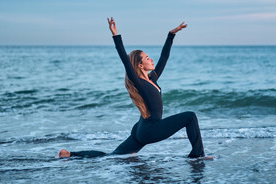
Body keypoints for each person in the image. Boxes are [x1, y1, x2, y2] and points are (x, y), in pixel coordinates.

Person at [59, 17, 207, 158]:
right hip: (150, 129)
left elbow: (164, 58)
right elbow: (125, 60)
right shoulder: (139, 82)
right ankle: (197, 156)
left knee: (113, 156)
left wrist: (171, 35)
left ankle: (70, 155)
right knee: (190, 116)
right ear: (140, 65)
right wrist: (115, 35)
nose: (152, 59)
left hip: (141, 128)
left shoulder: (152, 79)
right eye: (147, 58)